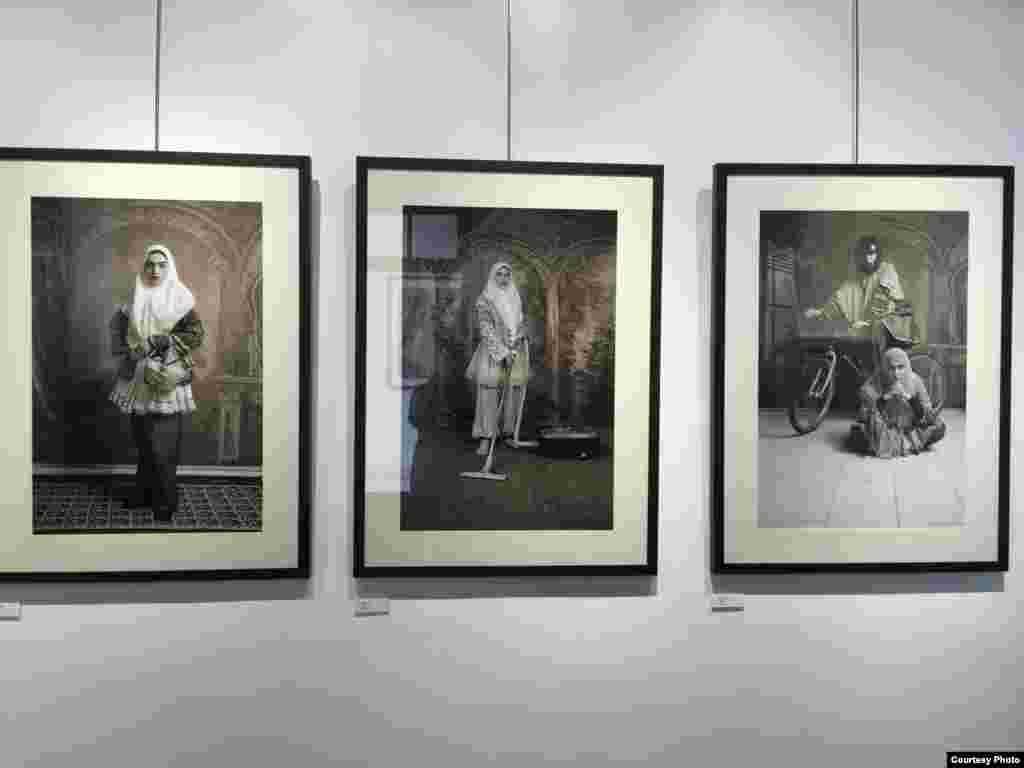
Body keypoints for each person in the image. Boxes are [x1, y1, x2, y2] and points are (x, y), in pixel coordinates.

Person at [109, 244, 206, 521]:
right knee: (142, 440)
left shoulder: (180, 297)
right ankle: (143, 493)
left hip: (167, 375)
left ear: (169, 267)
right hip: (139, 376)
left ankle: (165, 502)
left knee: (162, 444)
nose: (155, 270)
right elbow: (116, 329)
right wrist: (131, 353)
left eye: (161, 265)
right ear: (144, 266)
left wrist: (160, 341)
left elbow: (196, 334)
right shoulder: (135, 295)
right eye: (150, 264)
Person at [465, 262, 530, 455]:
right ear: (493, 276)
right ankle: (486, 437)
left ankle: (508, 432)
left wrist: (521, 334)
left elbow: (520, 322)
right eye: (499, 274)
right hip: (493, 352)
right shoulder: (485, 299)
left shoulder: (515, 297)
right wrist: (503, 353)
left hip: (515, 349)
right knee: (489, 393)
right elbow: (486, 329)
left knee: (512, 391)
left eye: (506, 274)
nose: (503, 278)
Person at [803, 236, 908, 340]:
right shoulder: (854, 278)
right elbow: (838, 301)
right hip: (860, 338)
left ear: (877, 254)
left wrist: (868, 324)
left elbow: (887, 305)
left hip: (884, 337)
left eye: (871, 254)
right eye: (864, 254)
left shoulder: (886, 271)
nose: (868, 259)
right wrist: (820, 312)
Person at [850, 347, 946, 458]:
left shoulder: (915, 381)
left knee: (939, 427)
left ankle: (902, 443)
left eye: (900, 367)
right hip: (883, 430)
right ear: (884, 368)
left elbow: (925, 411)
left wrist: (908, 397)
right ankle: (905, 445)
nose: (896, 373)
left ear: (907, 366)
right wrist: (886, 397)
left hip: (910, 429)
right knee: (858, 432)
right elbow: (865, 415)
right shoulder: (874, 382)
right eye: (891, 368)